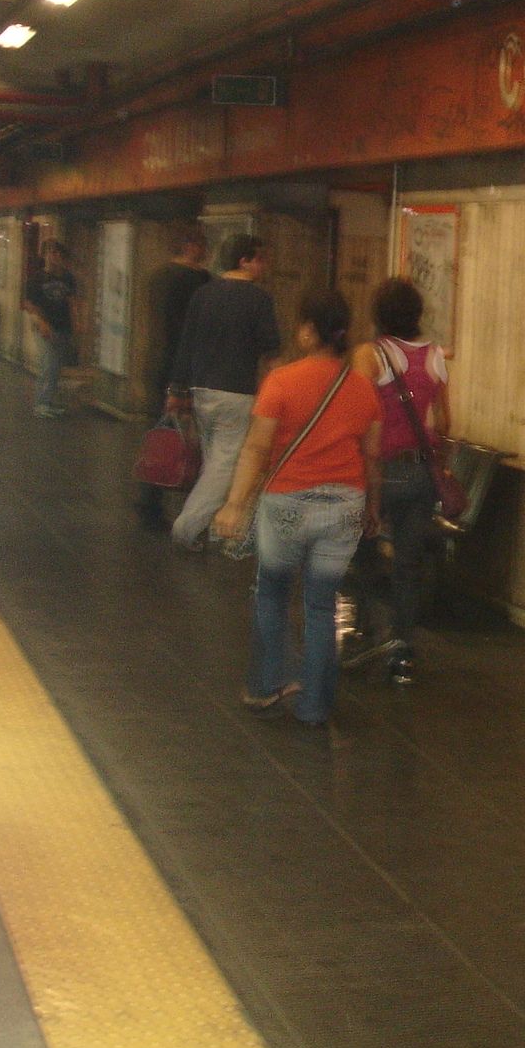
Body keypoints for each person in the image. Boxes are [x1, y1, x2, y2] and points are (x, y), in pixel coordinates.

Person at [215, 290, 379, 728]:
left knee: (271, 593)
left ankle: (269, 686)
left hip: (287, 500)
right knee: (322, 605)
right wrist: (373, 507)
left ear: (309, 330)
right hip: (345, 503)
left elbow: (256, 447)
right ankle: (314, 706)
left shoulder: (282, 381)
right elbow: (372, 455)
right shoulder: (362, 388)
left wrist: (234, 504)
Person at [357, 276, 451, 687]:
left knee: (363, 547)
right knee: (408, 563)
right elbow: (445, 421)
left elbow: (359, 415)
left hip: (376, 467)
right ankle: (402, 649)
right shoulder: (435, 355)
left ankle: (363, 625)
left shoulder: (370, 354)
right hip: (418, 471)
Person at [170, 234, 280, 554]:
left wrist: (177, 388)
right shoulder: (259, 299)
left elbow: (186, 342)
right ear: (244, 260)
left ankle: (211, 528)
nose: (264, 266)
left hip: (201, 389)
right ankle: (187, 527)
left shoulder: (203, 293)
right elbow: (270, 348)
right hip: (237, 391)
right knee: (225, 465)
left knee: (213, 461)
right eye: (260, 259)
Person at [135, 226, 211, 529]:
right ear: (191, 246)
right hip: (185, 367)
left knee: (160, 433)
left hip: (157, 361)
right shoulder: (199, 281)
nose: (207, 252)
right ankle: (181, 500)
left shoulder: (156, 277)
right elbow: (192, 331)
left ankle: (150, 496)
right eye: (203, 246)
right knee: (193, 439)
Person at [22, 239, 78, 417]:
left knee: (56, 366)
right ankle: (40, 404)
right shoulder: (37, 278)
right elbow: (30, 303)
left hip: (63, 326)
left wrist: (77, 321)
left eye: (58, 253)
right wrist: (41, 322)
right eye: (51, 253)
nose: (55, 257)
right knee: (48, 363)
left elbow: (71, 300)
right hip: (44, 326)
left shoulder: (68, 278)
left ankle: (48, 401)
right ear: (44, 255)